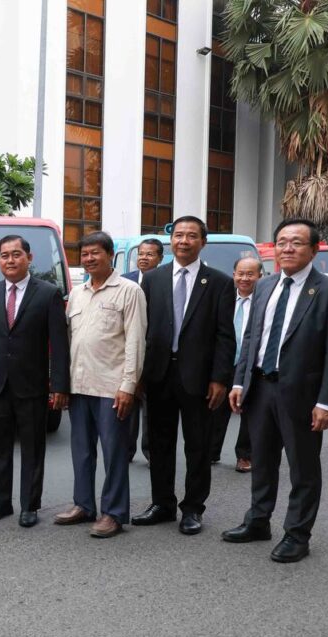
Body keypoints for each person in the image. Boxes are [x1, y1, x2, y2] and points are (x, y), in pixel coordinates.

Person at [223, 218, 328, 563]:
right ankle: (258, 520)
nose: (287, 248)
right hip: (260, 388)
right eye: (281, 242)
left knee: (303, 468)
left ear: (314, 249)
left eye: (296, 242)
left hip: (302, 395)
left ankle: (297, 534)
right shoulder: (264, 286)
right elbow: (251, 337)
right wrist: (240, 381)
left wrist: (327, 402)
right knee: (262, 461)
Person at [132, 216, 235, 535]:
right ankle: (162, 504)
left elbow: (225, 335)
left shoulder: (219, 282)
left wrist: (220, 378)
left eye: (191, 236)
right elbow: (142, 331)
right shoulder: (153, 279)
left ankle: (192, 508)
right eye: (178, 235)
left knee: (198, 447)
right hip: (159, 374)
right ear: (171, 241)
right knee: (159, 444)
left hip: (199, 378)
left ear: (203, 242)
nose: (184, 241)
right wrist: (138, 375)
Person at [0, 234, 70, 527]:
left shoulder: (48, 294)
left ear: (29, 258)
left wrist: (59, 385)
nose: (10, 260)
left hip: (33, 387)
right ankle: (1, 502)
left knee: (33, 448)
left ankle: (29, 506)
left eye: (16, 254)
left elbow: (59, 345)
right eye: (4, 255)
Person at [54, 232, 145, 538]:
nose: (89, 259)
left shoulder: (129, 291)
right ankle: (84, 505)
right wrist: (63, 384)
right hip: (80, 386)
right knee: (81, 451)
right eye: (85, 254)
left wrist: (128, 385)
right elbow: (70, 340)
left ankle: (114, 513)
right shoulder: (77, 294)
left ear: (109, 255)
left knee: (114, 453)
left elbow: (135, 341)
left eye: (95, 253)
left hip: (111, 388)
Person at [208, 257, 262, 472]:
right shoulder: (224, 297)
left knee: (249, 412)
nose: (244, 278)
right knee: (216, 407)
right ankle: (211, 451)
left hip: (251, 364)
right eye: (240, 273)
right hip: (225, 362)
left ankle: (244, 455)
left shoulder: (264, 300)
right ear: (233, 275)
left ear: (260, 276)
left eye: (250, 274)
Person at [122, 238, 164, 462]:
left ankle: (151, 452)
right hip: (128, 351)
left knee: (151, 407)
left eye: (149, 254)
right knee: (128, 402)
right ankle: (126, 451)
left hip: (154, 353)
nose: (143, 258)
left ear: (160, 258)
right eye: (140, 254)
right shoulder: (124, 281)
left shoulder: (164, 281)